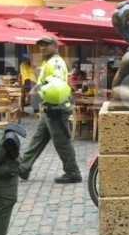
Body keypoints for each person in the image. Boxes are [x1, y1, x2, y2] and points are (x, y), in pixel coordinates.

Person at [18, 36, 82, 184]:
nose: (42, 47)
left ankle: (73, 172)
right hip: (49, 108)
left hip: (57, 108)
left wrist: (36, 88)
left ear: (55, 46)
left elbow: (56, 81)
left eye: (46, 45)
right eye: (40, 45)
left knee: (62, 142)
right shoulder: (48, 62)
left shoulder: (56, 62)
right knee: (37, 140)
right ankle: (23, 168)